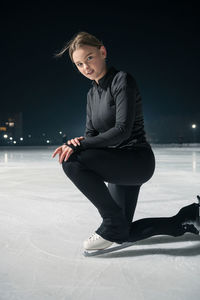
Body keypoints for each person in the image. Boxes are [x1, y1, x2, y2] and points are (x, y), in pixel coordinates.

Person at [52, 31, 200, 251]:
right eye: (79, 64)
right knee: (124, 233)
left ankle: (111, 222)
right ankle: (185, 219)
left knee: (72, 162)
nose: (86, 67)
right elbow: (92, 136)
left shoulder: (122, 80)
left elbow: (121, 131)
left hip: (136, 160)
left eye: (90, 58)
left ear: (102, 51)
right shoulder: (91, 95)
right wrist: (79, 141)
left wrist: (81, 145)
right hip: (116, 162)